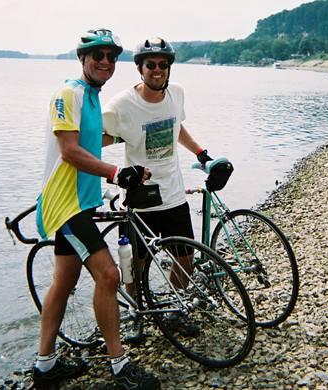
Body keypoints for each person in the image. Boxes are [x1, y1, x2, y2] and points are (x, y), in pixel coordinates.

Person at [33, 28, 160, 389]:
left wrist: (132, 140)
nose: (105, 61)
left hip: (84, 202)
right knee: (108, 276)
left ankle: (44, 366)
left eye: (110, 56)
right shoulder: (68, 94)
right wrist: (116, 173)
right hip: (66, 205)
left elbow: (94, 141)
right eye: (97, 55)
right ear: (82, 58)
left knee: (64, 281)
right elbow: (70, 151)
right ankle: (119, 365)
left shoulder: (91, 97)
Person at [102, 37, 213, 340]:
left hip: (174, 196)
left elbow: (177, 128)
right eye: (151, 64)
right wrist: (113, 160)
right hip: (141, 200)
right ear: (140, 68)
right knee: (136, 265)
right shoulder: (122, 104)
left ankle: (176, 309)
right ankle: (137, 313)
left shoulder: (176, 94)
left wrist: (201, 153)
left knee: (185, 258)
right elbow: (97, 139)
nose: (158, 70)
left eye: (163, 65)